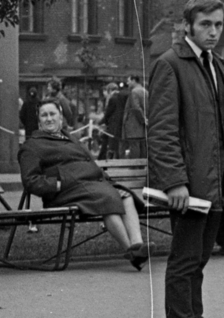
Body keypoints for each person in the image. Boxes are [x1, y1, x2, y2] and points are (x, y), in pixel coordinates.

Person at [147, 0, 224, 318]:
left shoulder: (214, 63)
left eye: (218, 25)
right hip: (191, 184)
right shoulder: (171, 64)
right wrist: (174, 180)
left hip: (216, 181)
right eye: (206, 24)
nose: (213, 32)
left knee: (201, 259)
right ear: (188, 25)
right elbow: (162, 130)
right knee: (185, 260)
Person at [18, 100, 147, 267]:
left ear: (61, 116)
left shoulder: (70, 138)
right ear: (39, 120)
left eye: (52, 114)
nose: (49, 119)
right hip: (64, 192)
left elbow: (88, 163)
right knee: (107, 199)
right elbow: (30, 180)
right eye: (44, 115)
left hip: (91, 186)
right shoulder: (33, 145)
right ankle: (131, 251)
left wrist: (107, 180)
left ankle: (138, 245)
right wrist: (58, 184)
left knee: (125, 195)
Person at [99, 80, 130, 159]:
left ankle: (107, 157)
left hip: (113, 123)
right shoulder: (121, 96)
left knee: (111, 142)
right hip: (120, 122)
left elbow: (109, 112)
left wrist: (103, 122)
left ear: (109, 90)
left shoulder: (112, 98)